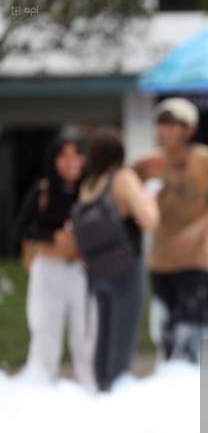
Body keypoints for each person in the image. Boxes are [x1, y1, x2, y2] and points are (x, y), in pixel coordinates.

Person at [133, 98, 208, 364]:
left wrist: (195, 232)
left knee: (192, 331)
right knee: (163, 331)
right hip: (161, 258)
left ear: (189, 129)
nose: (163, 131)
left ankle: (193, 390)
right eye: (160, 125)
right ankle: (168, 388)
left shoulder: (206, 159)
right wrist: (144, 204)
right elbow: (128, 204)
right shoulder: (147, 164)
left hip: (197, 257)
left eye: (171, 125)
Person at [72, 127, 160, 391]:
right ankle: (116, 408)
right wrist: (150, 199)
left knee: (104, 342)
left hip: (97, 272)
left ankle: (101, 395)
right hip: (126, 270)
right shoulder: (122, 178)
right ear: (120, 152)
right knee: (121, 348)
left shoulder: (88, 185)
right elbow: (149, 221)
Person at [15, 136, 96, 391]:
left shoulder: (91, 190)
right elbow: (20, 229)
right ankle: (39, 389)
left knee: (86, 334)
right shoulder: (43, 191)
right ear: (54, 161)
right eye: (64, 156)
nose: (71, 162)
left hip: (82, 270)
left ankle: (93, 390)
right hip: (49, 268)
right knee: (45, 332)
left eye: (76, 154)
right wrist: (52, 236)